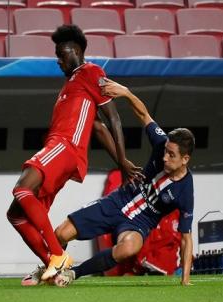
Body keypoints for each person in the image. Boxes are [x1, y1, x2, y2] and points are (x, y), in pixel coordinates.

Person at [6, 25, 143, 286]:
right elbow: (98, 128)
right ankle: (52, 266)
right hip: (58, 149)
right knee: (16, 214)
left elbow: (112, 118)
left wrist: (123, 160)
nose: (58, 60)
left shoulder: (91, 72)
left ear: (77, 51)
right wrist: (120, 162)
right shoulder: (70, 84)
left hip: (64, 147)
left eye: (62, 54)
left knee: (21, 189)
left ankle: (57, 255)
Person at [53, 78, 195, 286]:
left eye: (171, 155)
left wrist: (185, 280)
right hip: (118, 200)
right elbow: (143, 114)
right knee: (60, 233)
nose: (164, 157)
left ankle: (72, 273)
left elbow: (186, 238)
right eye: (165, 152)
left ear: (185, 159)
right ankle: (50, 268)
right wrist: (126, 93)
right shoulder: (162, 143)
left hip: (140, 223)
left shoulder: (185, 191)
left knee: (130, 248)